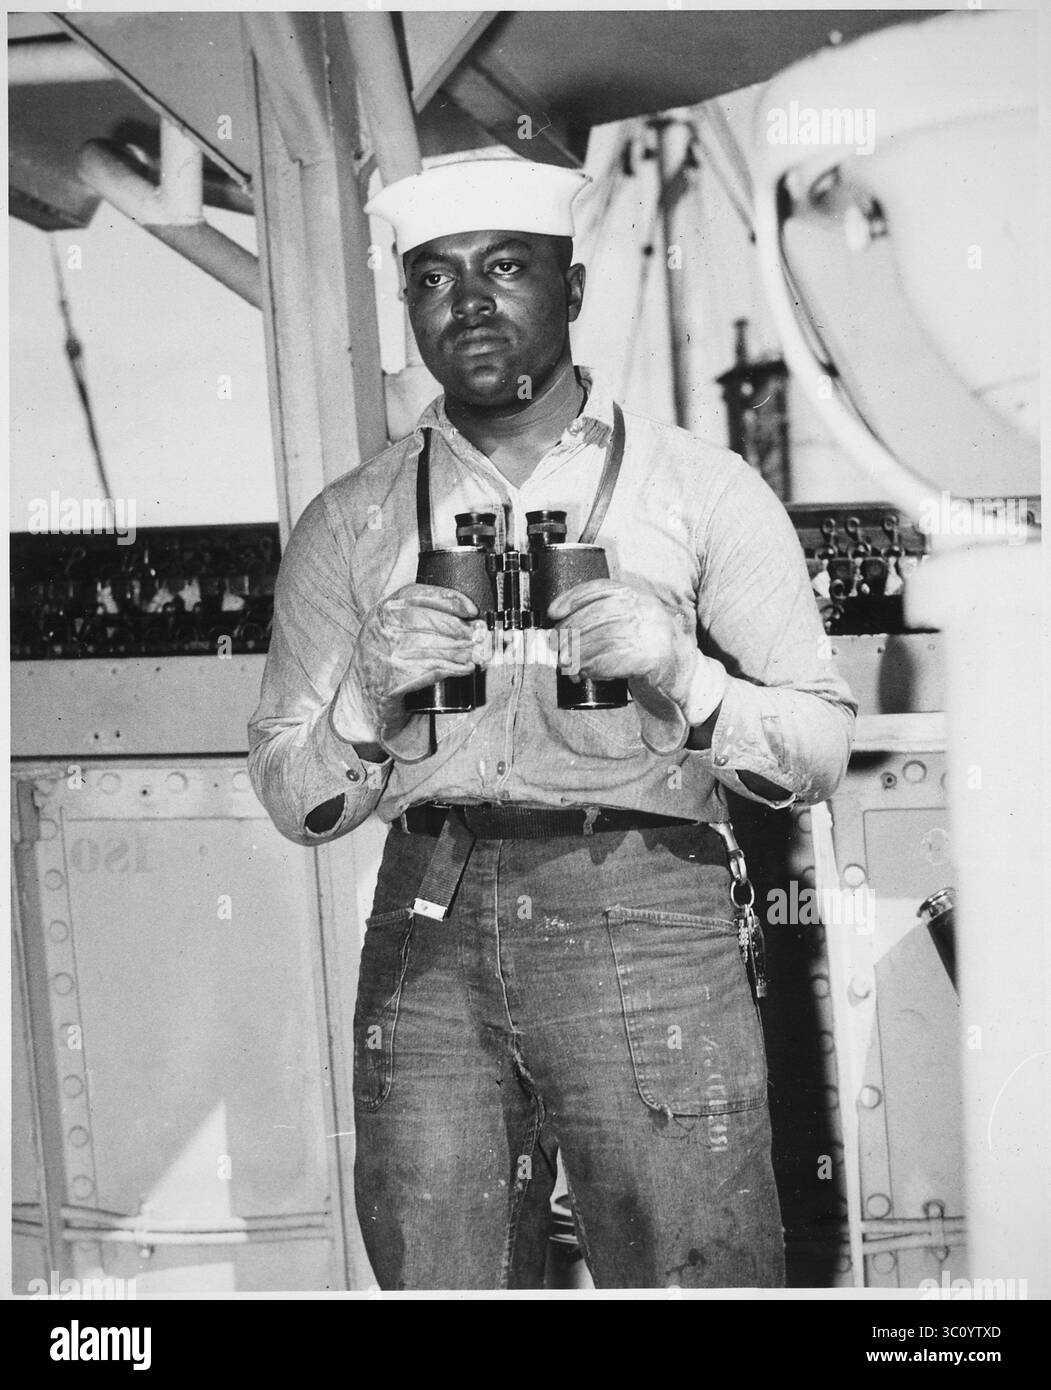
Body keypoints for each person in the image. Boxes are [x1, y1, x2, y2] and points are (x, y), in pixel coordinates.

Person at [248, 154, 856, 1290]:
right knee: (441, 1273)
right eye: (432, 279)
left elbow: (820, 746)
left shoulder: (699, 488)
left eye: (505, 267)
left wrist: (690, 677)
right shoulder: (354, 518)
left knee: (699, 1271)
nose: (467, 301)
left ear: (571, 291)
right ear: (409, 306)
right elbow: (290, 788)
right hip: (431, 917)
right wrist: (362, 704)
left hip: (646, 900)